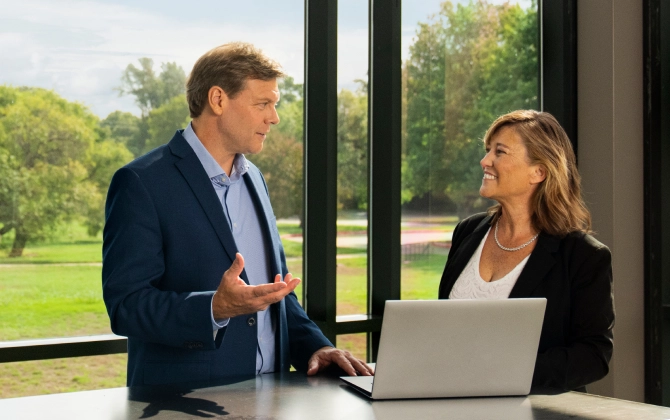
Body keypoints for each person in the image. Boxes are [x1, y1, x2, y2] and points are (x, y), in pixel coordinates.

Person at [102, 42, 373, 386]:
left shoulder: (255, 178)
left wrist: (314, 347)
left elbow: (276, 291)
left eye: (274, 105)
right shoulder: (141, 182)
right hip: (187, 404)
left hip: (274, 399)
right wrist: (214, 308)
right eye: (263, 104)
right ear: (218, 99)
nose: (273, 117)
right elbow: (126, 306)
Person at [437, 110, 614, 391]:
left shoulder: (584, 255)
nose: (485, 161)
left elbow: (593, 355)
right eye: (487, 150)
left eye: (500, 152)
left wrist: (500, 374)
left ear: (539, 172)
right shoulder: (467, 232)